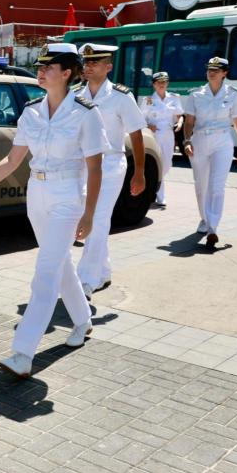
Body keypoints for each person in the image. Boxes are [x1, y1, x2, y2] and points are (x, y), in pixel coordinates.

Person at [0, 43, 107, 378]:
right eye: (39, 66)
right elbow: (13, 160)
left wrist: (89, 215)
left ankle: (22, 352)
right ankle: (83, 321)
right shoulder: (32, 111)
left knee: (45, 274)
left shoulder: (86, 112)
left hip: (68, 195)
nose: (40, 72)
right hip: (37, 193)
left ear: (67, 73)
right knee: (59, 264)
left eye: (48, 67)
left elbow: (95, 168)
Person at [75, 43, 146, 300]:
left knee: (97, 218)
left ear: (109, 67)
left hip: (111, 164)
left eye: (95, 62)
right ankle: (102, 270)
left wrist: (140, 172)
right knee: (89, 218)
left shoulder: (120, 96)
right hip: (83, 165)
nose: (89, 66)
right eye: (86, 62)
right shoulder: (76, 95)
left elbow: (136, 134)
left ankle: (85, 280)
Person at [182, 56, 237, 248]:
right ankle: (205, 218)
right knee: (201, 185)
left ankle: (213, 228)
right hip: (200, 140)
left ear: (224, 73)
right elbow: (189, 121)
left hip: (222, 141)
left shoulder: (234, 95)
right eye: (209, 69)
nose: (211, 72)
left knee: (217, 186)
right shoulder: (196, 94)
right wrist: (186, 141)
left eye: (216, 70)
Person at [139, 71, 183, 207]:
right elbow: (140, 119)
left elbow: (179, 115)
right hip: (154, 135)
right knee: (157, 163)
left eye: (164, 82)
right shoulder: (147, 100)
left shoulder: (174, 98)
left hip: (168, 134)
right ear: (154, 85)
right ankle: (159, 195)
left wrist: (180, 122)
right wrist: (148, 125)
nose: (162, 85)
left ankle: (152, 185)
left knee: (167, 163)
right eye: (159, 83)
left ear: (167, 83)